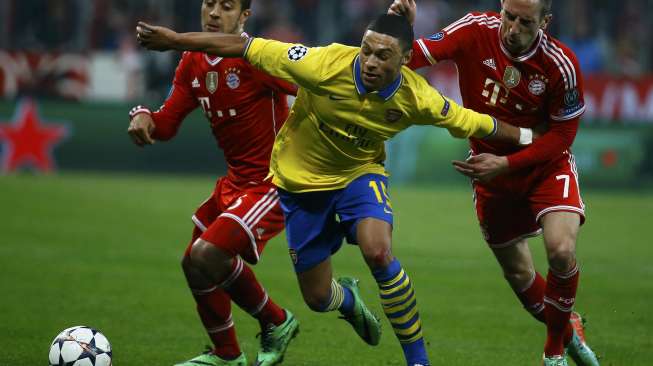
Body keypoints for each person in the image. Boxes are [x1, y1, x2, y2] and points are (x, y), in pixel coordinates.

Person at [135, 13, 537, 366]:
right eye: (366, 51)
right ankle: (347, 300)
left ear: (405, 59)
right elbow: (245, 46)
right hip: (299, 185)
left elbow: (474, 122)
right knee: (316, 297)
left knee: (378, 251)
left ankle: (418, 360)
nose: (371, 62)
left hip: (358, 175)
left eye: (383, 55)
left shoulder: (419, 98)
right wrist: (174, 42)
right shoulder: (322, 63)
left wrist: (527, 136)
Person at [388, 0, 600, 365]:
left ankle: (553, 353)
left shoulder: (560, 64)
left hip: (543, 166)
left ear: (545, 22)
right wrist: (403, 32)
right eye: (509, 17)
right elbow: (414, 57)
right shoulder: (474, 29)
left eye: (525, 22)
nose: (512, 28)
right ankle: (569, 330)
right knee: (520, 274)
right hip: (489, 170)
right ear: (500, 7)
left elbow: (562, 135)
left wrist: (509, 162)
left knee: (561, 251)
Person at [127, 1, 299, 365]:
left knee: (208, 254)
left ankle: (277, 320)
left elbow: (310, 86)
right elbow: (167, 122)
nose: (214, 13)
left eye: (227, 6)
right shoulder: (193, 61)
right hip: (236, 183)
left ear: (244, 16)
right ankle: (227, 355)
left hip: (273, 183)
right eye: (209, 3)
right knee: (193, 263)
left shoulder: (259, 57)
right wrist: (144, 116)